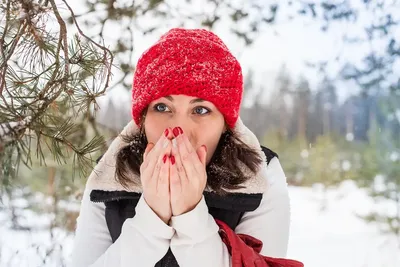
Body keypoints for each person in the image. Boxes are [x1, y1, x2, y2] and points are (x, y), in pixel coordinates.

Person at [70, 28, 303, 267]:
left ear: (226, 124)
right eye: (162, 108)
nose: (178, 129)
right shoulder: (110, 174)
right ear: (141, 120)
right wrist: (151, 218)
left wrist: (189, 216)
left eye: (200, 110)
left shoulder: (259, 173)